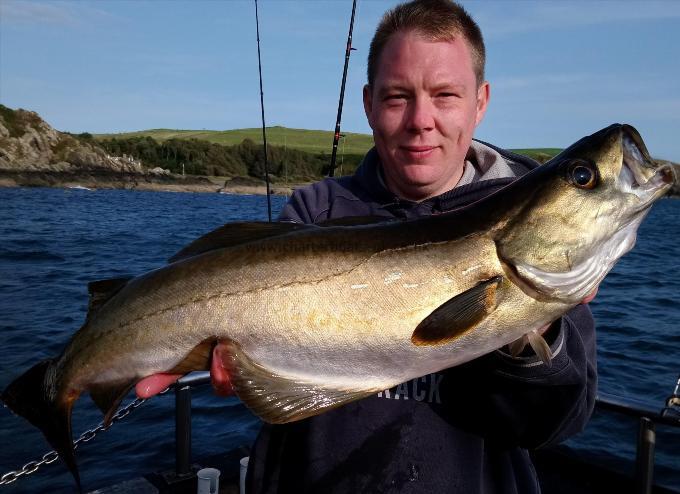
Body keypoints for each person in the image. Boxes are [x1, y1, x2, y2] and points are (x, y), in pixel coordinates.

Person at [137, 1, 597, 492]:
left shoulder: (539, 227)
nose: (421, 120)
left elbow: (554, 424)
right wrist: (249, 369)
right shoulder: (315, 212)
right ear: (369, 104)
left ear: (480, 102)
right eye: (398, 97)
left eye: (445, 95)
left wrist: (535, 329)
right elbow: (280, 391)